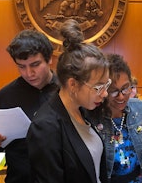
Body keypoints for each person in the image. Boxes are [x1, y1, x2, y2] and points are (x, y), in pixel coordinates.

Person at [26, 19, 109, 183]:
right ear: (73, 84)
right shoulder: (45, 127)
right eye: (99, 87)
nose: (105, 94)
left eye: (107, 85)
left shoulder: (83, 109)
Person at [0, 30, 59, 183]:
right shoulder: (7, 95)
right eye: (21, 67)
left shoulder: (66, 90)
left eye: (35, 65)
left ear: (49, 58)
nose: (29, 73)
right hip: (19, 178)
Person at [86, 53, 142, 183]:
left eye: (126, 88)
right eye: (114, 91)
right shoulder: (91, 116)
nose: (121, 97)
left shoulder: (140, 108)